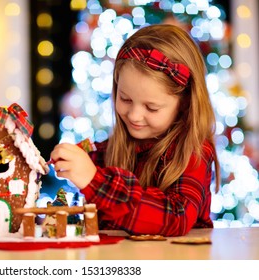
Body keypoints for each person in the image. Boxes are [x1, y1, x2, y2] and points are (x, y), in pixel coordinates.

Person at [50, 24, 220, 237]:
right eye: (125, 99)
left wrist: (94, 181)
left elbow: (177, 218)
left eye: (151, 107)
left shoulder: (193, 151)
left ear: (184, 103)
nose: (134, 115)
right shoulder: (105, 152)